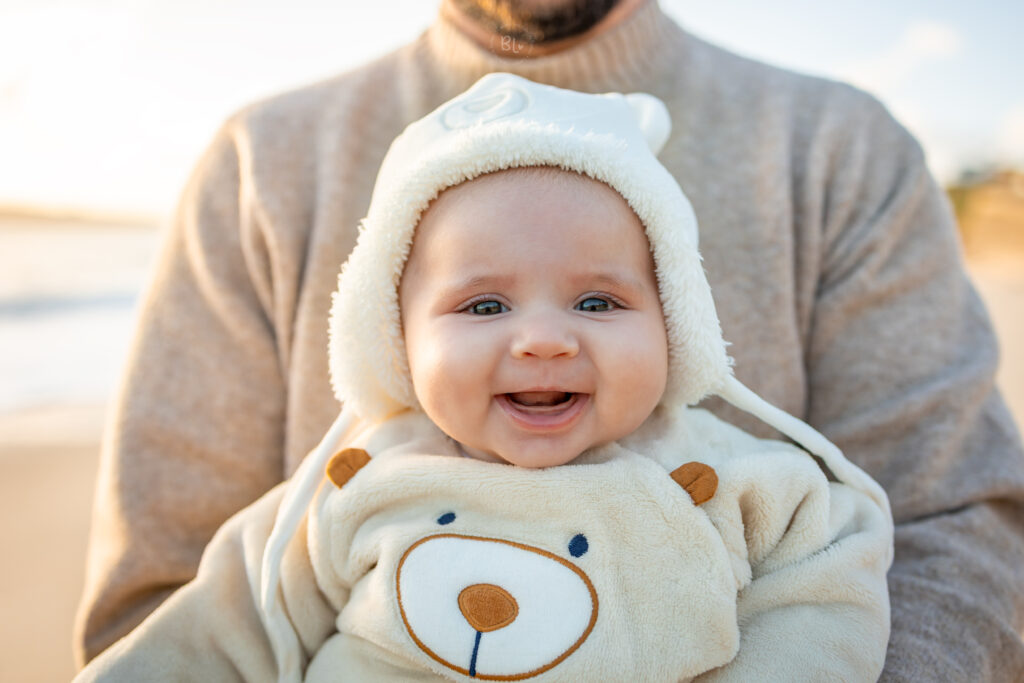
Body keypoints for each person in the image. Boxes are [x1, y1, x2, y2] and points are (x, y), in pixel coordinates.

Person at [75, 1, 1024, 679]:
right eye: (482, 306)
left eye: (600, 303)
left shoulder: (838, 150)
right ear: (392, 340)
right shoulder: (345, 473)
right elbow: (177, 616)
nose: (540, 340)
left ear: (681, 325)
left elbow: (945, 530)